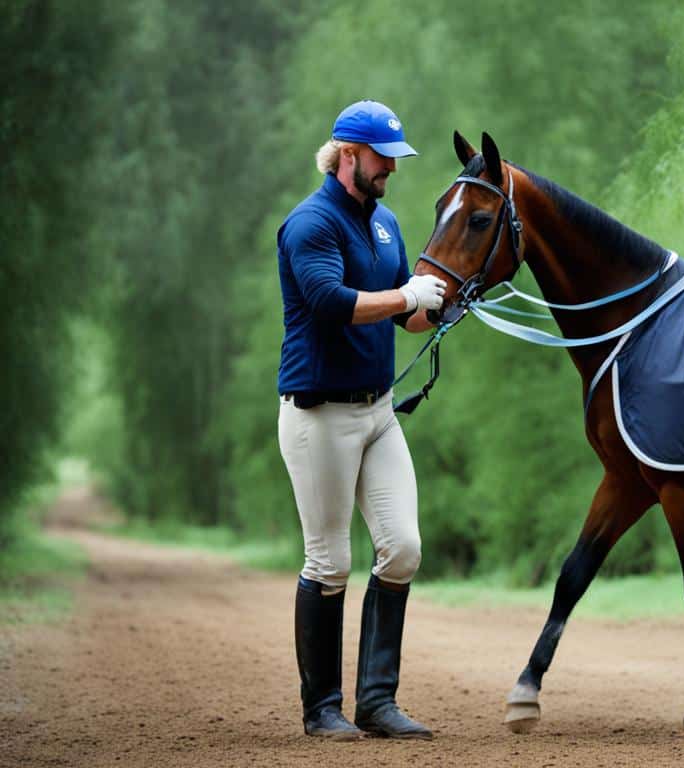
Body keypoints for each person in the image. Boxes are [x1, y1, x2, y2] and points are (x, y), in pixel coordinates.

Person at [275, 100, 446, 740]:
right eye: (383, 158)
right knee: (328, 561)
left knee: (402, 548)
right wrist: (406, 295)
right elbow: (328, 302)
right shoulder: (310, 223)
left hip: (377, 413)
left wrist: (444, 304)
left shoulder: (385, 224)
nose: (391, 170)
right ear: (348, 155)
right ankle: (322, 709)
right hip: (318, 416)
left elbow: (409, 316)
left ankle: (377, 703)